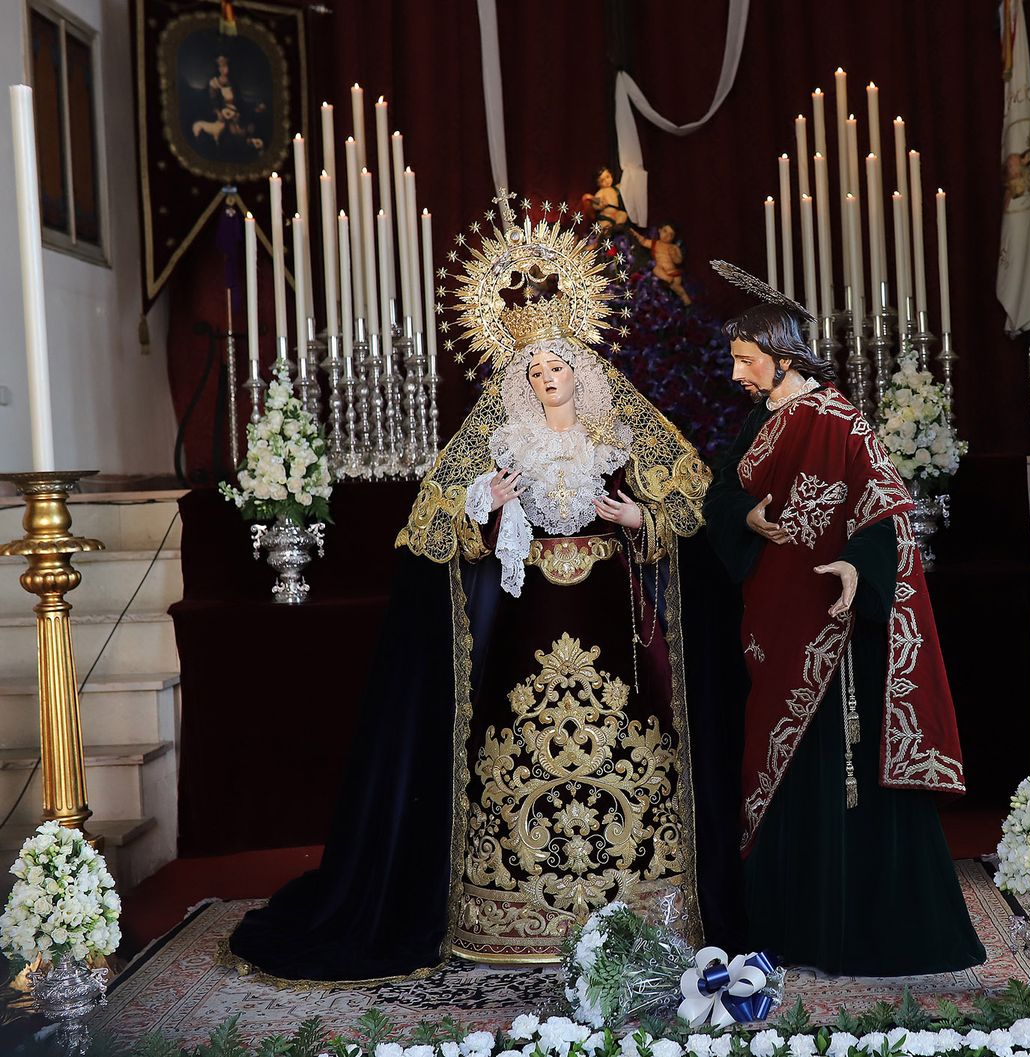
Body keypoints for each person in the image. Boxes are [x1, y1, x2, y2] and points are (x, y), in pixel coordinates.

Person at [228, 209, 710, 979]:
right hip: (526, 614)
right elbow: (436, 524)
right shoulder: (502, 442)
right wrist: (483, 503)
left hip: (605, 607)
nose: (548, 379)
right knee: (511, 731)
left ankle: (638, 897)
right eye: (535, 373)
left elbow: (683, 513)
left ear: (580, 372)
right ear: (520, 382)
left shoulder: (617, 436)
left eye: (558, 368)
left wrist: (636, 517)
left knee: (630, 736)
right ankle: (508, 903)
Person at [700, 260, 984, 976]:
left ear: (781, 355)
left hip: (829, 630)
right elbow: (720, 502)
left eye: (744, 360)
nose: (736, 374)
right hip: (772, 627)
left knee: (832, 774)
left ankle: (850, 931)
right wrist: (749, 516)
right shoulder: (759, 424)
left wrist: (858, 565)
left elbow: (885, 508)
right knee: (775, 772)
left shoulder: (838, 420)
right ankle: (789, 926)